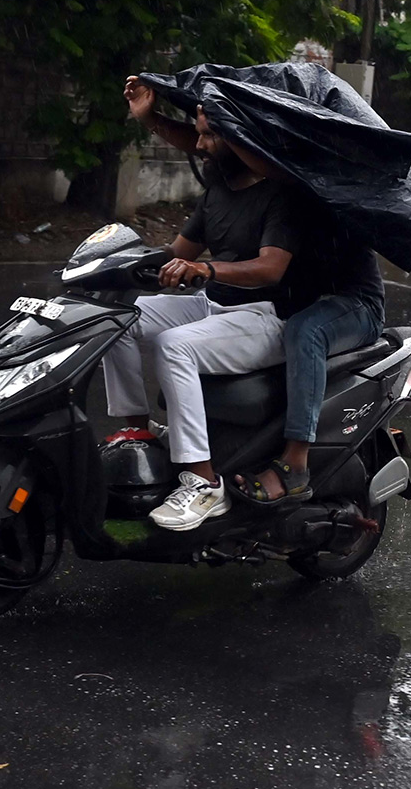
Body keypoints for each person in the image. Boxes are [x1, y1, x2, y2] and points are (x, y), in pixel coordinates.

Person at [103, 77, 300, 531]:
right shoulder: (218, 192)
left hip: (266, 317)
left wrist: (209, 271)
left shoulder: (282, 195)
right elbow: (176, 256)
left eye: (211, 135)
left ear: (239, 139)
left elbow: (271, 268)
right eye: (201, 133)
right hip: (214, 305)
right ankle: (139, 432)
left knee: (175, 345)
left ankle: (203, 483)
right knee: (117, 315)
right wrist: (109, 267)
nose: (201, 144)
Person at [229, 198, 385, 505]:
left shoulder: (334, 196)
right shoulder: (273, 194)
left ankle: (295, 464)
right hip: (308, 301)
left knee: (306, 331)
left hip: (357, 304)